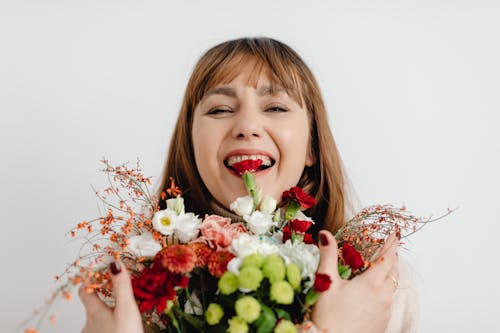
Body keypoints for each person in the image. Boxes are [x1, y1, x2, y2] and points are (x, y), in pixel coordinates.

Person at [79, 37, 418, 333]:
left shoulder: (376, 287)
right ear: (191, 143)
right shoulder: (125, 291)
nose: (247, 126)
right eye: (221, 109)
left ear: (312, 145)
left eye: (275, 106)